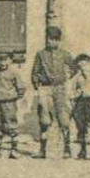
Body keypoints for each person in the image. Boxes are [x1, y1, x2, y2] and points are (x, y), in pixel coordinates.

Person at [30, 25, 70, 159]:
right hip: (45, 89)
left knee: (63, 119)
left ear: (59, 41)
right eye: (50, 39)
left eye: (55, 39)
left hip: (60, 89)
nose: (52, 42)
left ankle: (67, 149)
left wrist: (64, 77)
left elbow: (74, 68)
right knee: (44, 120)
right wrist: (38, 84)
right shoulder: (40, 54)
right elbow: (34, 72)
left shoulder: (65, 54)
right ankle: (42, 150)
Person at [0, 51, 28, 158]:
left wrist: (15, 96)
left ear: (10, 61)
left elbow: (21, 86)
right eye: (0, 60)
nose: (2, 63)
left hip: (9, 102)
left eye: (5, 60)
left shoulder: (13, 73)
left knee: (12, 126)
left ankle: (14, 150)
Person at [66, 53, 90, 160]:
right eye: (80, 63)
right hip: (81, 102)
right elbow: (72, 91)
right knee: (81, 127)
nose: (82, 65)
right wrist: (76, 94)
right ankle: (83, 151)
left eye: (84, 62)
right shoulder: (77, 76)